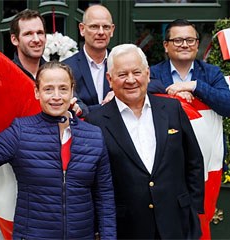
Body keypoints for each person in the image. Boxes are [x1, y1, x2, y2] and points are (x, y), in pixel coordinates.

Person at [0, 61, 116, 239]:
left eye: (63, 89)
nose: (56, 96)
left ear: (72, 91)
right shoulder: (20, 131)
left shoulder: (93, 136)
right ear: (37, 92)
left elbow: (105, 198)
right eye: (48, 89)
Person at [85, 43, 204, 239]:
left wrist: (192, 208)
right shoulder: (95, 121)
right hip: (127, 227)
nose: (131, 80)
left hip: (177, 223)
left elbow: (194, 162)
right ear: (110, 79)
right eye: (122, 74)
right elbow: (93, 179)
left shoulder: (172, 109)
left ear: (148, 74)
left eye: (136, 72)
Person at [148, 19, 230, 239]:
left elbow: (228, 104)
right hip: (164, 162)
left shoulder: (210, 73)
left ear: (196, 44)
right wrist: (172, 91)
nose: (184, 44)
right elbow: (140, 87)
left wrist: (194, 86)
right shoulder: (153, 72)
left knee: (200, 223)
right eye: (177, 40)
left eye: (190, 40)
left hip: (204, 164)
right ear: (166, 45)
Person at [10, 8, 84, 116]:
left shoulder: (55, 72)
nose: (36, 39)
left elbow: (82, 107)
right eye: (28, 34)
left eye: (40, 33)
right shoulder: (7, 74)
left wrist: (77, 108)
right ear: (14, 39)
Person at [63, 4, 115, 113]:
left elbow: (151, 83)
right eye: (94, 26)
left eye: (106, 27)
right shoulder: (67, 68)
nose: (101, 32)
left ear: (112, 30)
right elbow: (75, 106)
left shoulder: (121, 62)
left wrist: (120, 94)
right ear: (82, 29)